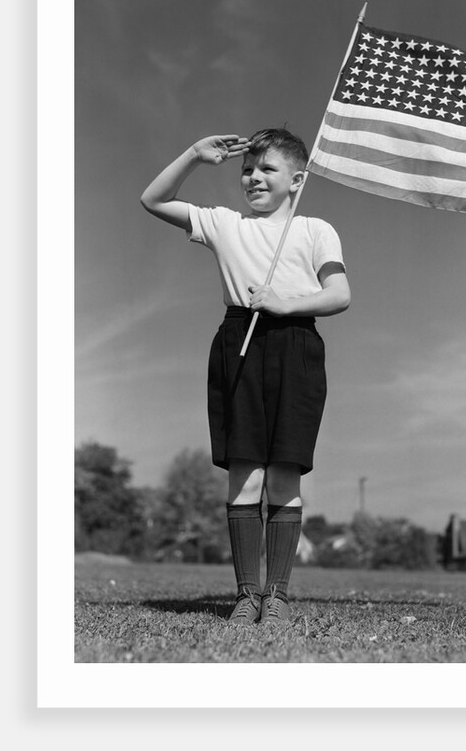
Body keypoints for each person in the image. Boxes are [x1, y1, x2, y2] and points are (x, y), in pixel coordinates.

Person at [140, 129, 350, 626]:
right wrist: (194, 154)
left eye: (267, 169)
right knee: (245, 470)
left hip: (296, 343)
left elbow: (339, 294)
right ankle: (246, 595)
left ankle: (276, 595)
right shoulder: (224, 224)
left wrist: (286, 302)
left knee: (283, 471)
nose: (253, 177)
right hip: (240, 341)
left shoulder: (316, 229)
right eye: (247, 170)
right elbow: (153, 199)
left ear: (297, 180)